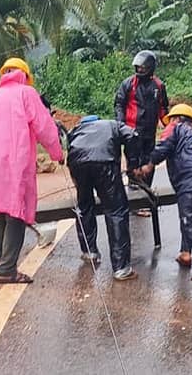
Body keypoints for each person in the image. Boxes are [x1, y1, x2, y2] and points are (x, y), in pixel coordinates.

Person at [0, 58, 63, 284]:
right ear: (25, 76)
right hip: (16, 160)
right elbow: (44, 126)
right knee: (16, 211)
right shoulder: (26, 93)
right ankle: (7, 270)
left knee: (1, 210)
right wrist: (57, 153)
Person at [136, 104, 192, 284]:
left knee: (190, 221)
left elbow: (164, 147)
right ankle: (186, 253)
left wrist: (148, 165)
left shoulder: (175, 128)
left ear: (175, 118)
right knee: (189, 216)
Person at [67, 115, 141, 281]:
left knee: (84, 206)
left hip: (78, 163)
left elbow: (69, 149)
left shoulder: (76, 130)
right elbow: (133, 135)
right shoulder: (112, 124)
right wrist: (133, 165)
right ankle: (121, 267)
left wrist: (76, 178)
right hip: (105, 163)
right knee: (116, 210)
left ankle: (89, 252)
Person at [114, 50, 170, 195]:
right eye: (138, 67)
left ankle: (145, 196)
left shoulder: (158, 86)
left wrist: (170, 128)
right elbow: (119, 104)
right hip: (131, 133)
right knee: (133, 165)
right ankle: (135, 199)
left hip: (149, 133)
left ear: (150, 67)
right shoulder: (128, 84)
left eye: (143, 68)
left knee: (148, 164)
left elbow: (163, 109)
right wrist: (121, 125)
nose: (140, 70)